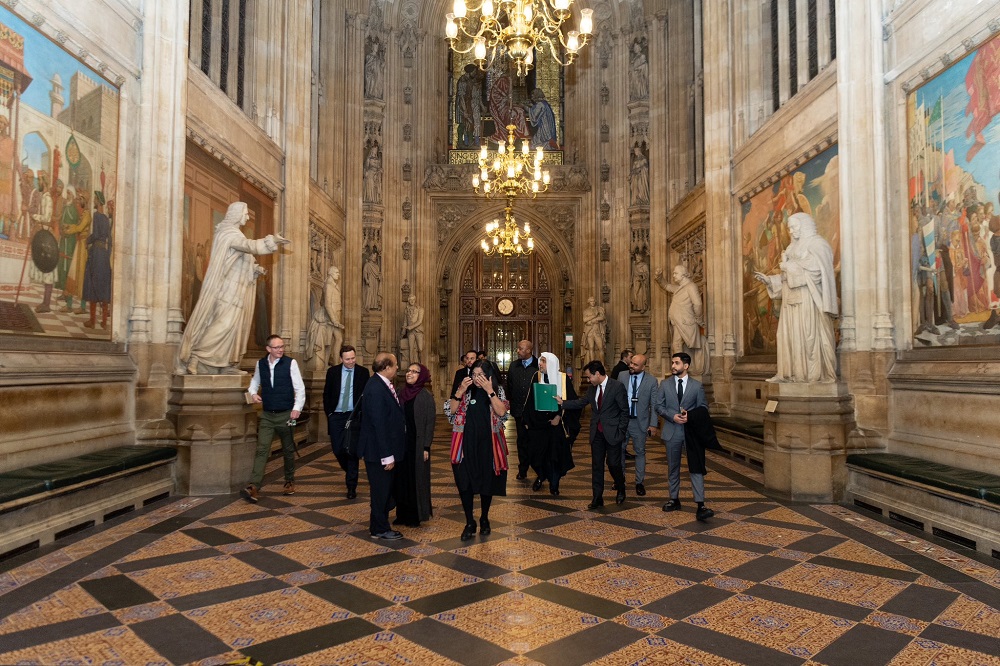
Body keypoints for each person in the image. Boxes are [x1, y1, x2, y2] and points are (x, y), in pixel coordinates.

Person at [178, 201, 289, 374]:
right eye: (245, 213)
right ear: (237, 214)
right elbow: (248, 247)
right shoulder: (229, 233)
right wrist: (272, 241)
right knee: (222, 324)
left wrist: (254, 270)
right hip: (227, 290)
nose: (246, 216)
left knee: (233, 328)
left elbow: (241, 260)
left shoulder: (236, 235)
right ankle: (196, 357)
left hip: (237, 291)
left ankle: (225, 365)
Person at [753, 212, 838, 383]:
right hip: (789, 303)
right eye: (789, 228)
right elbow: (786, 279)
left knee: (807, 338)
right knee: (788, 338)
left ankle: (810, 377)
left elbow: (817, 270)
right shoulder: (791, 249)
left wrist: (788, 265)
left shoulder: (817, 244)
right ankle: (790, 374)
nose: (791, 231)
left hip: (807, 300)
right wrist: (770, 281)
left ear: (804, 225)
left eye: (794, 227)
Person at [445, 359, 509, 540]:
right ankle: (469, 521)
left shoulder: (497, 390)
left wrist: (489, 391)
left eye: (480, 375)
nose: (476, 378)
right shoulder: (465, 389)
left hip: (488, 444)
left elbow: (502, 412)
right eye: (473, 374)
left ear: (488, 376)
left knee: (486, 482)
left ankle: (485, 518)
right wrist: (460, 391)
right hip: (465, 443)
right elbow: (452, 410)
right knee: (464, 482)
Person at [558, 360, 629, 509]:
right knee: (597, 466)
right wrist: (562, 403)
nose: (588, 380)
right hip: (597, 433)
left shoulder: (617, 387)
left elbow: (624, 411)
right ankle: (597, 497)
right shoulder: (592, 389)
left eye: (589, 377)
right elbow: (581, 403)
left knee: (613, 464)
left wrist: (621, 432)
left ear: (597, 374)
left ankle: (621, 487)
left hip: (613, 433)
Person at [242, 335, 305, 503]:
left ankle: (289, 480)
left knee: (288, 449)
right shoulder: (260, 364)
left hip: (287, 414)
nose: (280, 350)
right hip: (267, 415)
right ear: (268, 349)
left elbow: (300, 388)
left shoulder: (290, 363)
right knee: (262, 449)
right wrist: (253, 393)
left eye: (282, 346)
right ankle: (254, 485)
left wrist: (297, 409)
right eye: (277, 347)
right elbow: (254, 382)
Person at [654, 352, 716, 522]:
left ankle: (700, 505)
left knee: (696, 468)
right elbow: (658, 406)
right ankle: (674, 499)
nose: (673, 366)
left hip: (691, 433)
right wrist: (671, 416)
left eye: (676, 363)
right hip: (672, 431)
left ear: (686, 366)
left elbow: (703, 407)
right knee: (673, 468)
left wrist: (690, 416)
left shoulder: (697, 386)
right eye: (672, 363)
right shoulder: (665, 385)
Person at [358, 352, 406, 539]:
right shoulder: (376, 388)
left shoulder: (381, 384)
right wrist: (387, 455)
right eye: (395, 365)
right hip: (378, 451)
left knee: (384, 490)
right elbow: (379, 424)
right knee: (380, 491)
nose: (397, 368)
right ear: (386, 367)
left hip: (382, 449)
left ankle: (378, 524)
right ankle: (379, 528)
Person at [524, 352, 578, 496]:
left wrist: (559, 416)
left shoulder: (563, 379)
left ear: (551, 364)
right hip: (538, 424)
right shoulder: (536, 376)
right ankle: (541, 476)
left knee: (554, 456)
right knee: (535, 455)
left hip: (556, 425)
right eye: (540, 361)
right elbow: (530, 400)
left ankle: (554, 484)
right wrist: (529, 421)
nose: (540, 364)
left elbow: (572, 401)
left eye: (543, 361)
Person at [323, 345, 369, 499]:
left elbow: (365, 396)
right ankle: (350, 472)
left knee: (351, 451)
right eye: (348, 359)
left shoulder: (363, 373)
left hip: (353, 416)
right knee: (338, 449)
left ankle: (351, 486)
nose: (351, 361)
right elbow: (326, 394)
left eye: (353, 358)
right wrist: (329, 413)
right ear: (341, 359)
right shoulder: (332, 372)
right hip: (336, 415)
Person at [393, 363, 435, 527]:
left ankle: (415, 515)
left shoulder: (425, 396)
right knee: (401, 479)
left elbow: (429, 424)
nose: (409, 374)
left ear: (422, 376)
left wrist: (426, 447)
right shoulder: (400, 393)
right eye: (408, 371)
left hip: (417, 445)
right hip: (401, 443)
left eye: (414, 372)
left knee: (416, 479)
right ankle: (401, 514)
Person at [656, 264, 709, 375]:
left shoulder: (691, 286)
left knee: (677, 345)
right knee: (678, 346)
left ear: (683, 274)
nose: (674, 275)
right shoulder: (679, 288)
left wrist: (698, 319)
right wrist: (659, 277)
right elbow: (666, 286)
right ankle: (681, 368)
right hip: (679, 323)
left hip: (686, 323)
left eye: (676, 273)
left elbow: (698, 304)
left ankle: (679, 369)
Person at [616, 353, 657, 496]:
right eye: (631, 363)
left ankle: (639, 482)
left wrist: (653, 424)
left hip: (640, 423)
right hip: (623, 421)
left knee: (640, 452)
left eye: (635, 364)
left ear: (643, 367)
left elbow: (654, 404)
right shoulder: (622, 376)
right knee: (619, 450)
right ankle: (620, 480)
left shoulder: (652, 381)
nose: (631, 366)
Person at [506, 339, 539, 481]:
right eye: (518, 348)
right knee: (522, 441)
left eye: (521, 348)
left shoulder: (539, 365)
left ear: (529, 350)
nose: (518, 351)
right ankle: (523, 469)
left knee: (536, 441)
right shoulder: (514, 366)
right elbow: (509, 386)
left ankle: (539, 469)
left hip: (536, 413)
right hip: (519, 411)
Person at [81, 192, 112, 329]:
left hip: (97, 253)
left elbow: (97, 234)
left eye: (95, 199)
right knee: (103, 285)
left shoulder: (97, 216)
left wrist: (87, 241)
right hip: (104, 254)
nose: (93, 201)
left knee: (92, 282)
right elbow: (107, 238)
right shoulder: (106, 218)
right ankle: (104, 322)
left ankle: (93, 321)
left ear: (98, 201)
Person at [304, 266, 344, 371]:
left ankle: (330, 365)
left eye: (338, 273)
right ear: (330, 273)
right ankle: (333, 366)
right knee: (332, 341)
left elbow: (322, 301)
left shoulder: (333, 285)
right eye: (336, 272)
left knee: (334, 340)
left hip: (334, 316)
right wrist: (333, 319)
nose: (338, 274)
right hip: (331, 317)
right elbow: (326, 304)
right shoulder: (329, 286)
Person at [581, 296, 607, 365]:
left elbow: (602, 317)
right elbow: (584, 320)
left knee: (601, 347)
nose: (593, 302)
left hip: (597, 331)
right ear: (589, 302)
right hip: (589, 332)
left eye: (594, 301)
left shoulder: (599, 309)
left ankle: (602, 364)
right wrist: (594, 316)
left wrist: (593, 320)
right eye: (591, 301)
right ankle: (592, 364)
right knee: (591, 347)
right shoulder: (586, 311)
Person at [401, 295, 425, 365]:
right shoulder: (406, 310)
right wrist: (403, 332)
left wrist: (411, 327)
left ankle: (421, 365)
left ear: (415, 300)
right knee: (410, 349)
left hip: (418, 331)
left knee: (420, 349)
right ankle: (411, 366)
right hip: (410, 332)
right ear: (408, 301)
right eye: (410, 300)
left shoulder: (420, 309)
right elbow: (405, 322)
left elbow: (420, 321)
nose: (412, 301)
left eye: (413, 300)